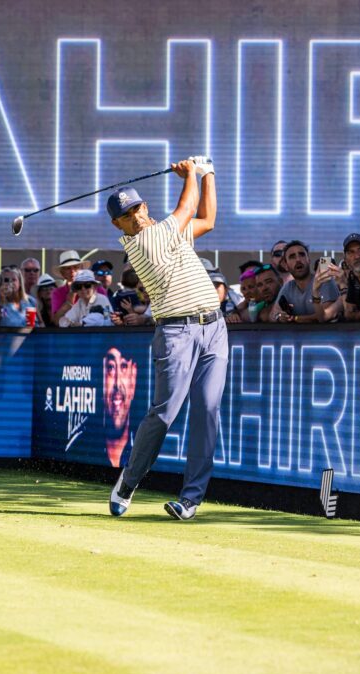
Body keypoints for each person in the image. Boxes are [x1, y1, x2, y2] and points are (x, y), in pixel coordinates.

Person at [107, 157, 225, 521]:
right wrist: (190, 172)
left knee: (207, 411)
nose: (138, 215)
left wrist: (208, 175)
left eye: (139, 207)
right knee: (165, 413)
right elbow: (187, 207)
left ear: (145, 205)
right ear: (119, 224)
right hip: (176, 332)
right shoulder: (143, 242)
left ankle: (190, 499)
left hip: (214, 328)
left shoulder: (169, 233)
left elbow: (205, 218)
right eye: (129, 214)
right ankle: (129, 481)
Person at [273, 241, 340, 323]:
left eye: (302, 254)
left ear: (308, 260)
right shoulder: (288, 287)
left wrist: (294, 318)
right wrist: (279, 316)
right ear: (286, 266)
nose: (298, 259)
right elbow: (272, 315)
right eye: (292, 257)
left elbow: (324, 316)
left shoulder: (325, 281)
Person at [103, 346, 138, 468]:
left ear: (133, 378)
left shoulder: (143, 450)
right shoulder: (79, 446)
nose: (117, 383)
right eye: (111, 367)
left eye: (123, 366)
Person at [50, 250, 89, 324]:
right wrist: (68, 302)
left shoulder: (96, 288)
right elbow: (56, 321)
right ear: (62, 273)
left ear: (82, 269)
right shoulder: (57, 293)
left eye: (75, 267)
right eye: (68, 268)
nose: (72, 271)